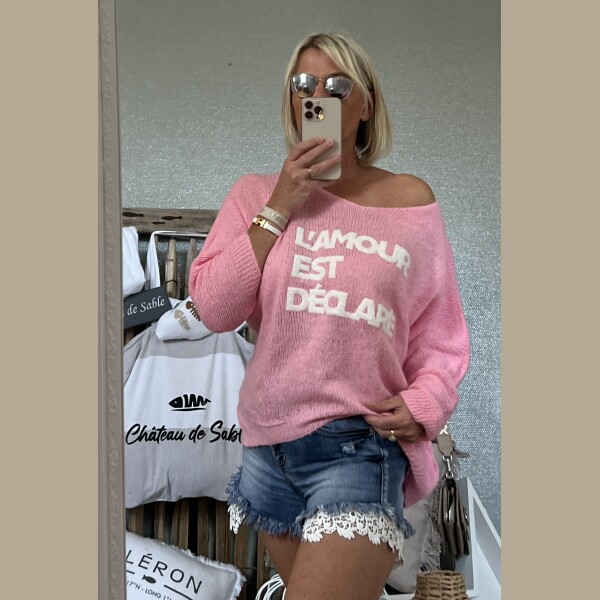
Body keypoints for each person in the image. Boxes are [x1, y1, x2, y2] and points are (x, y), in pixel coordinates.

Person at [189, 32, 470, 600]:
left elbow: (441, 334)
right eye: (304, 84)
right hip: (268, 448)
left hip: (357, 446)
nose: (318, 95)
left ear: (365, 104)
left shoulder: (410, 200)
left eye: (337, 85)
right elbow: (214, 308)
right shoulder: (255, 195)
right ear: (292, 101)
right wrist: (280, 205)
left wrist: (426, 404)